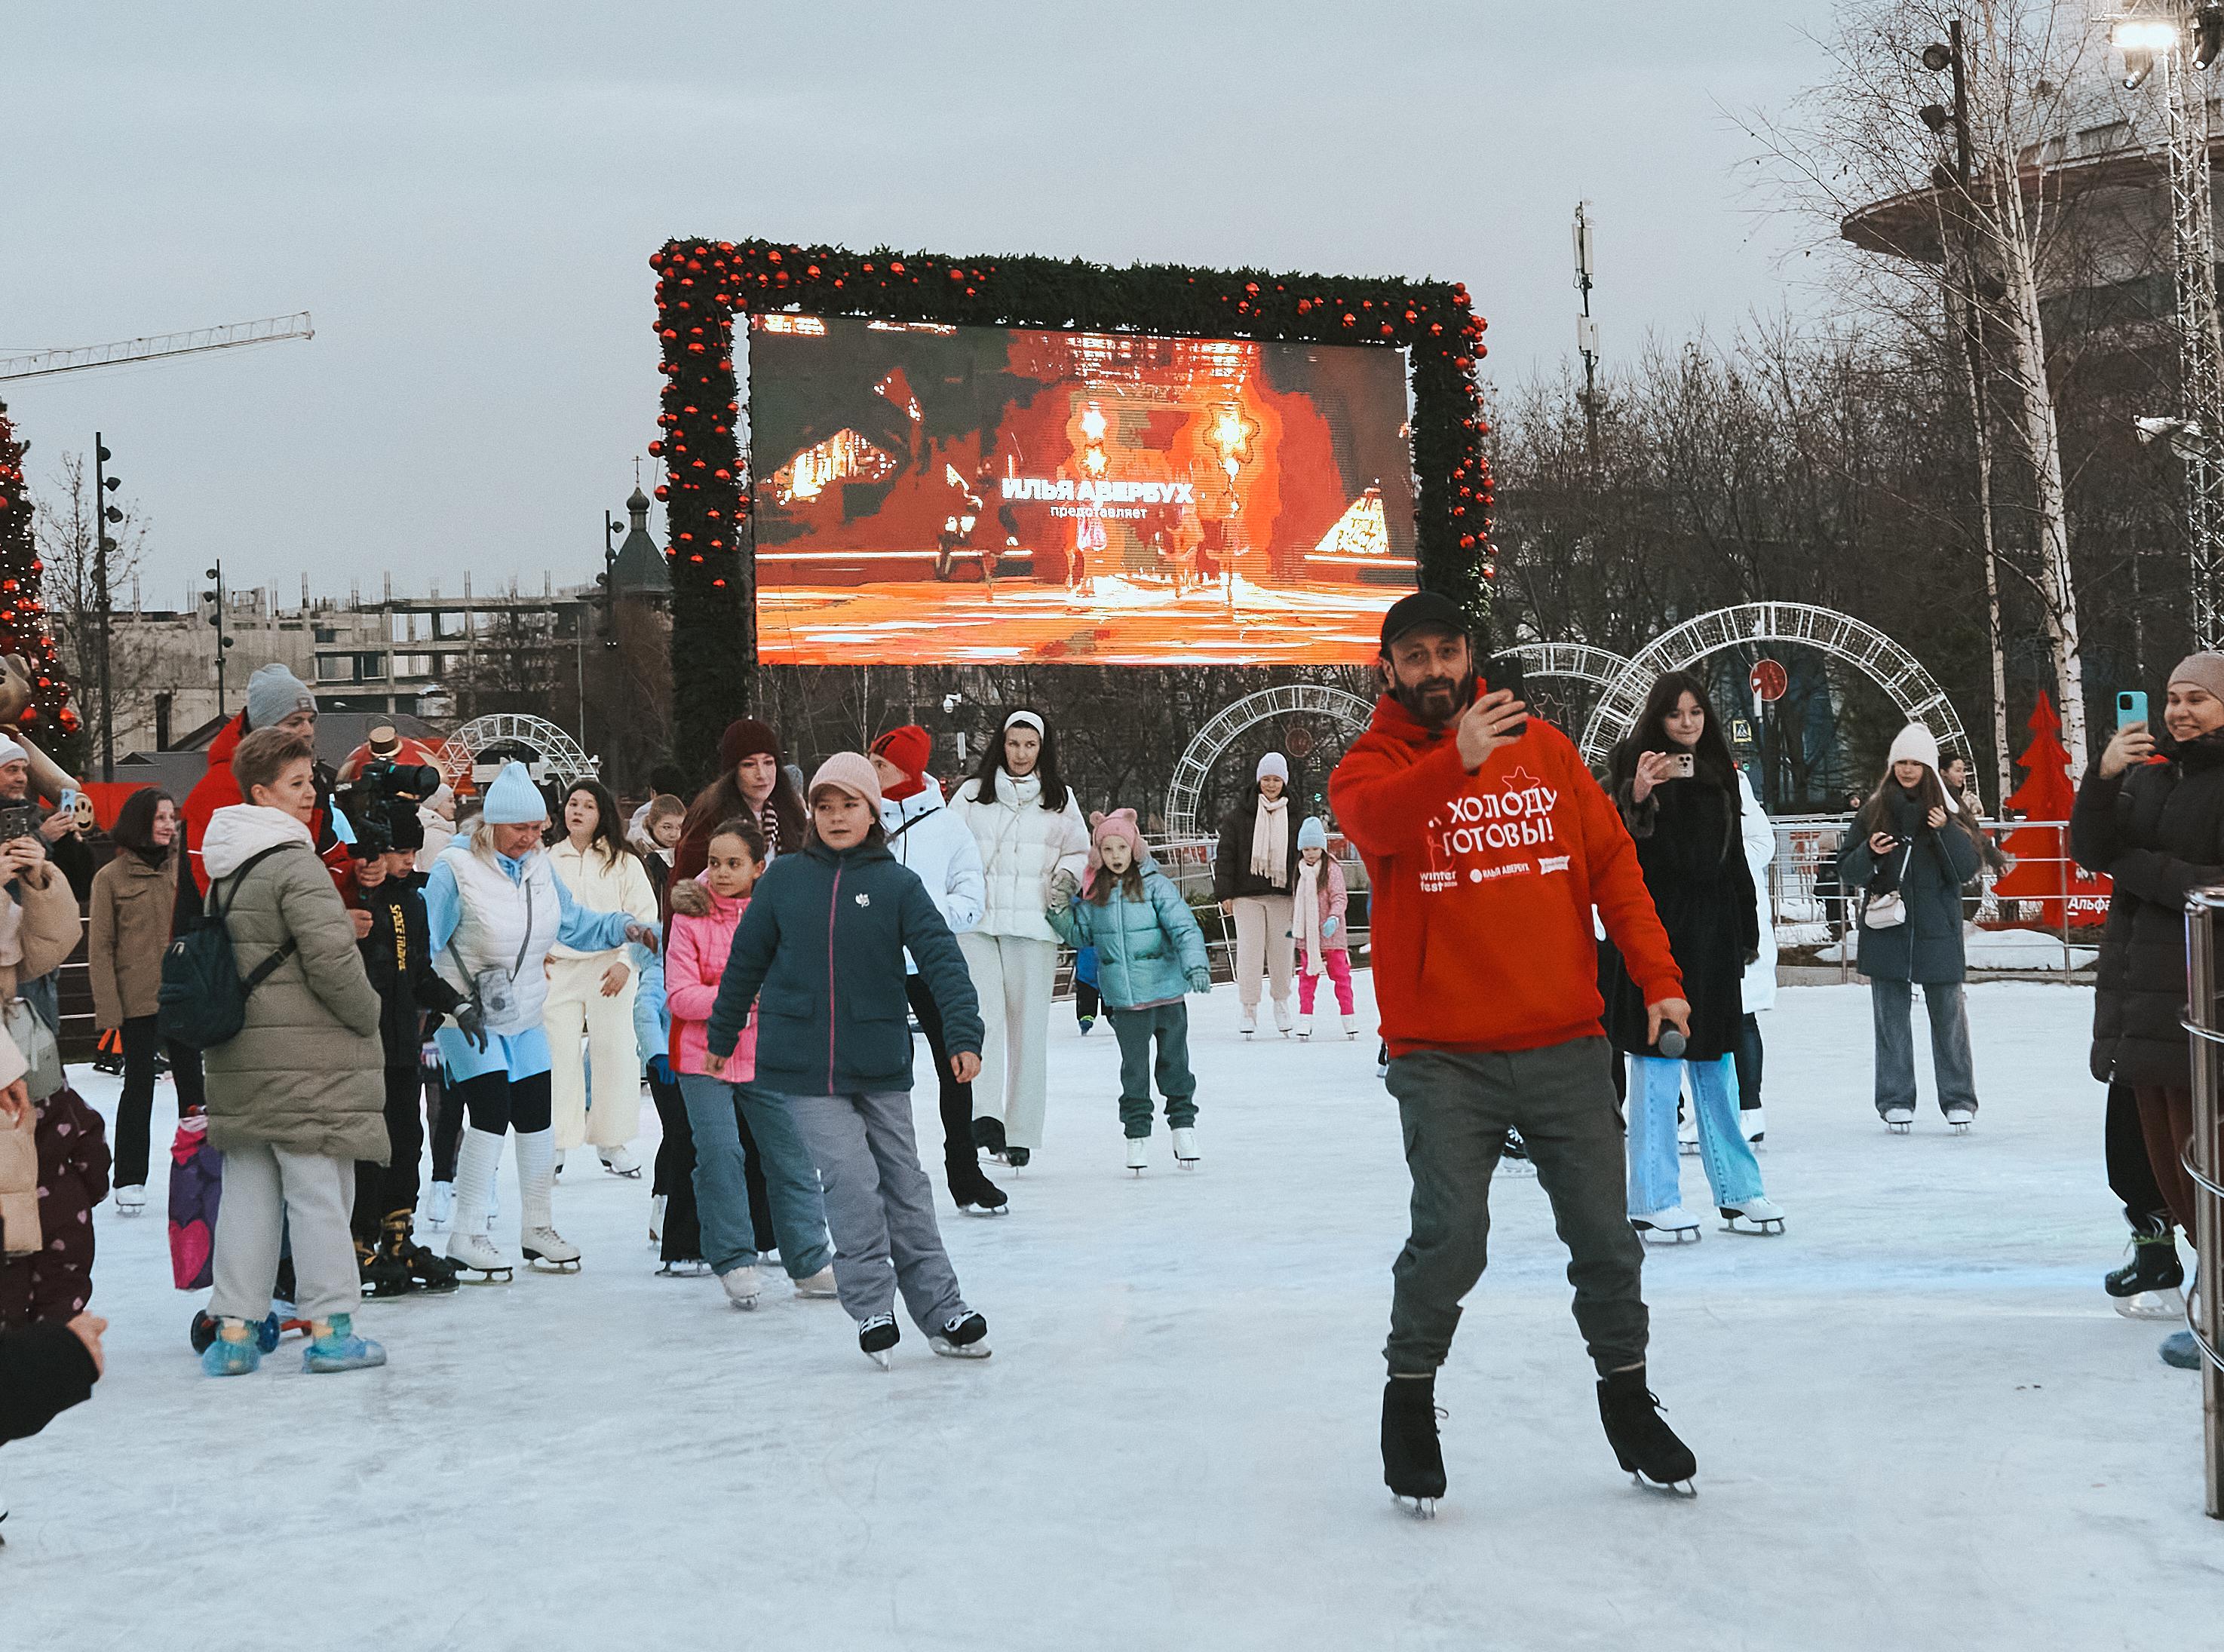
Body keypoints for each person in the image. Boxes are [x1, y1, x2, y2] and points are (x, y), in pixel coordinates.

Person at [1330, 590, 1699, 1512]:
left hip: (1564, 1041)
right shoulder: (1369, 765)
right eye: (1414, 658)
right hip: (1442, 1055)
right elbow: (1376, 826)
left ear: (1470, 654)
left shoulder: (1546, 750)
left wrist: (1659, 979)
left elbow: (1612, 864)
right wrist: (1455, 761)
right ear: (1388, 672)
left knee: (1608, 1241)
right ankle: (1408, 1399)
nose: (1436, 671)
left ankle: (1626, 1395)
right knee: (1452, 1238)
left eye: (1448, 651)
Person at [704, 754, 990, 1369]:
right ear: (813, 812)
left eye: (849, 805)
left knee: (906, 1185)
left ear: (873, 812)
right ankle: (871, 1304)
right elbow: (745, 963)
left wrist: (962, 1034)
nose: (836, 817)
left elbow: (942, 960)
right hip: (803, 1067)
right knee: (853, 1183)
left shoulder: (897, 885)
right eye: (825, 805)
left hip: (878, 1059)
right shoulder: (783, 881)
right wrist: (723, 1033)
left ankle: (943, 1307)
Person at [197, 728, 389, 1377]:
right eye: (298, 784)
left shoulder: (223, 868)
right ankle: (332, 1328)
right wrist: (370, 1015)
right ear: (261, 793)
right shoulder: (293, 861)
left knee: (248, 1191)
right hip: (305, 1059)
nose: (313, 795)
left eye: (312, 782)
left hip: (240, 1058)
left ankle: (234, 1331)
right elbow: (332, 961)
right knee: (317, 1189)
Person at [425, 763, 660, 1280]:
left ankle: (537, 1227)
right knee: (489, 1109)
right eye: (519, 829)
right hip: (466, 1014)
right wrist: (432, 1007)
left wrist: (625, 927)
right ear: (492, 823)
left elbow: (573, 923)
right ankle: (467, 1232)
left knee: (536, 1114)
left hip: (524, 1009)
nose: (530, 838)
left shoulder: (537, 865)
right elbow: (426, 942)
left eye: (537, 829)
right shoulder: (455, 867)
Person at [2072, 652, 2224, 1369]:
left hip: (2207, 1004)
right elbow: (2090, 846)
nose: (2179, 711)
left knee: (2211, 1167)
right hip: (2143, 1002)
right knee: (2174, 1175)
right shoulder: (2151, 770)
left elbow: (2211, 883)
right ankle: (2212, 1302)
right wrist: (2101, 776)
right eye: (2172, 697)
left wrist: (2133, 868)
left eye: (2197, 698)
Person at [1600, 673, 1782, 1243]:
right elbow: (1611, 855)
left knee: (1716, 1066)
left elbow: (1734, 864)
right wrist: (1635, 799)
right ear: (1657, 717)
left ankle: (1737, 1188)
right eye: (1675, 713)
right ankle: (1653, 1197)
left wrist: (1745, 933)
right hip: (1654, 939)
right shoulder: (1629, 767)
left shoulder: (1720, 773)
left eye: (1696, 712)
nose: (1686, 723)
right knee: (1656, 1071)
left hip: (1712, 940)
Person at [664, 814, 836, 1306]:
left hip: (766, 1054)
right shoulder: (689, 915)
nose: (719, 872)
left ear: (759, 867)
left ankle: (808, 1259)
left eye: (733, 863)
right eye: (714, 862)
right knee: (722, 1154)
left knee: (792, 1153)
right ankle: (735, 1258)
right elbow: (679, 995)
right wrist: (738, 997)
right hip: (703, 1058)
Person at [947, 709, 1089, 1171]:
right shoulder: (972, 794)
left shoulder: (1060, 798)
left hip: (1033, 925)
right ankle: (985, 1116)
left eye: (1030, 745)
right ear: (1001, 746)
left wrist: (1063, 880)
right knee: (982, 1018)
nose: (1021, 753)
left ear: (1042, 749)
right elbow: (949, 844)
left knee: (1029, 1028)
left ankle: (1022, 1130)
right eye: (1014, 744)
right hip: (978, 922)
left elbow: (1079, 850)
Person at [868, 724, 1000, 1215]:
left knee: (955, 1066)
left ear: (906, 768)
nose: (872, 772)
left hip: (929, 960)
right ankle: (886, 1174)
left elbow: (971, 902)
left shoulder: (947, 827)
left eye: (880, 764)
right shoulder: (859, 820)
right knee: (883, 1068)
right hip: (875, 964)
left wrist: (916, 915)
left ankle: (965, 1172)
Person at [1046, 808, 1212, 1172]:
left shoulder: (1155, 885)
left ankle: (1183, 1127)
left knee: (1175, 1065)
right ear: (1099, 854)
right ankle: (1136, 1135)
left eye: (1122, 847)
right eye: (1108, 849)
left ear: (1135, 849)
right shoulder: (1097, 895)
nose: (1116, 856)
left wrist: (1195, 964)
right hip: (1126, 1002)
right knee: (1134, 1071)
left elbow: (1183, 927)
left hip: (1167, 994)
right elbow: (1080, 935)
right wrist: (1058, 908)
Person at [1839, 725, 1985, 1134]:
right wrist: (1869, 852)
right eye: (1900, 762)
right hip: (1888, 925)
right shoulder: (1872, 810)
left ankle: (1959, 1098)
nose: (1907, 770)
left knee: (1949, 1015)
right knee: (1890, 1018)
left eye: (1915, 763)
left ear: (1928, 767)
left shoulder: (1952, 810)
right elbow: (1848, 869)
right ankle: (1895, 1099)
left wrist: (1944, 832)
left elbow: (1967, 870)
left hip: (1937, 927)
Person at [342, 839, 472, 1298]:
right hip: (360, 1045)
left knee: (406, 1139)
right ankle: (358, 1240)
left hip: (401, 1044)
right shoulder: (357, 899)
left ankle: (398, 1232)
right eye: (400, 853)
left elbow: (417, 973)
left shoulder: (412, 903)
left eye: (414, 853)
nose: (409, 863)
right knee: (368, 1145)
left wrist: (457, 1004)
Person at [87, 787, 203, 1214]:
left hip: (185, 998)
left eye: (172, 817)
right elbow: (100, 948)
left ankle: (199, 1168)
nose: (168, 825)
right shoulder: (111, 878)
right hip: (137, 1002)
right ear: (140, 822)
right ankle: (130, 1178)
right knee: (138, 1088)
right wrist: (109, 1011)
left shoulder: (186, 872)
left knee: (194, 1089)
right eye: (159, 818)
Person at [544, 779, 661, 1179]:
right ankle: (556, 1142)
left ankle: (612, 1141)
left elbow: (644, 915)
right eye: (572, 803)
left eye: (588, 806)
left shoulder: (624, 861)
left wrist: (627, 962)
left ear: (602, 814)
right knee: (559, 1056)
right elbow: (534, 911)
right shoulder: (547, 859)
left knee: (614, 1054)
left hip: (611, 967)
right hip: (558, 969)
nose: (577, 811)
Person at [1214, 752, 1302, 1037]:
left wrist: (1304, 892)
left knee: (1282, 953)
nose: (1271, 785)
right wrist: (1224, 893)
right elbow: (1225, 855)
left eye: (1277, 779)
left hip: (1283, 895)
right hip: (1246, 894)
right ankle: (1249, 1008)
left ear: (1284, 782)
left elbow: (1307, 856)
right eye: (1267, 779)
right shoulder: (1239, 816)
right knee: (1250, 953)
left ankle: (1281, 1003)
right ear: (1258, 780)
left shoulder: (1297, 814)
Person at [673, 719, 808, 887]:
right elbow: (684, 890)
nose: (762, 774)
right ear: (733, 772)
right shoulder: (709, 818)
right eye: (749, 765)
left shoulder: (791, 815)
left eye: (768, 762)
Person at [1732, 767, 1775, 1148]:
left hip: (1738, 920)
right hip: (1688, 917)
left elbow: (1764, 844)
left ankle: (1749, 1109)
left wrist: (1718, 850)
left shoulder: (1735, 782)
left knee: (1742, 1017)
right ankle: (1697, 1111)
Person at [1292, 817, 1357, 1040]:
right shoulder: (1300, 872)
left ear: (1322, 847)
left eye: (1315, 848)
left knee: (1341, 976)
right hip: (1308, 939)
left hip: (1332, 935)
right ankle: (1305, 1019)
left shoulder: (1332, 869)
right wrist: (1294, 927)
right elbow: (1296, 902)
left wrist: (1334, 918)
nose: (1310, 853)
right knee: (1307, 979)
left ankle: (1349, 1017)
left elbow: (1339, 897)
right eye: (1306, 849)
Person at [415, 783, 458, 875]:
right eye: (450, 801)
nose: (454, 806)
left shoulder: (435, 831)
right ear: (435, 804)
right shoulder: (435, 835)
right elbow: (434, 872)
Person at [1072, 946, 1101, 1034]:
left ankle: (1113, 1015)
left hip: (1105, 967)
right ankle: (1086, 1017)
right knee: (1086, 994)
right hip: (1086, 969)